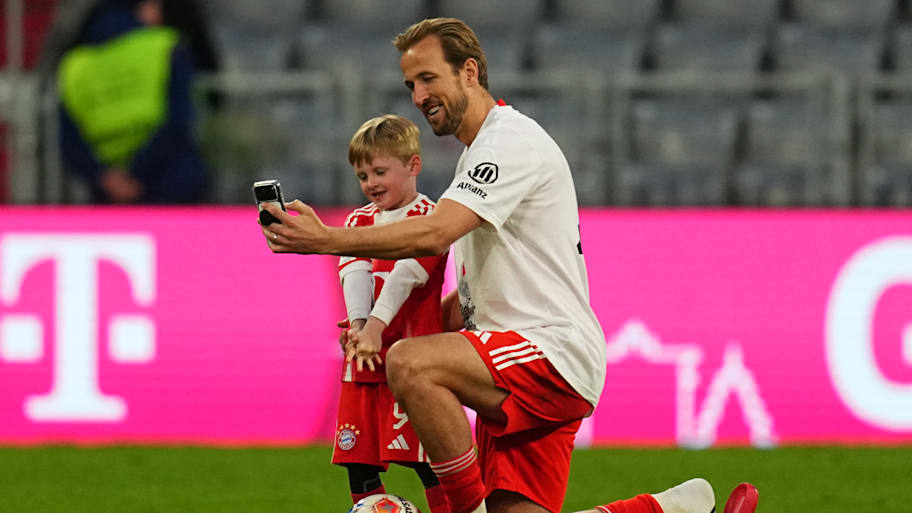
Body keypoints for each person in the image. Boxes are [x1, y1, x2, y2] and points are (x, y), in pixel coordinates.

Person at [259, 17, 758, 513]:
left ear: (469, 72)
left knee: (412, 362)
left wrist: (326, 239)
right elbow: (475, 297)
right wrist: (394, 320)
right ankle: (676, 507)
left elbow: (435, 233)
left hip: (547, 351)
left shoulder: (507, 143)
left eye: (429, 78)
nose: (418, 96)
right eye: (411, 84)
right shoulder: (476, 157)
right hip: (515, 356)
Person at [332, 115, 450, 513]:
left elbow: (406, 277)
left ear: (413, 165)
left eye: (380, 171)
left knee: (432, 462)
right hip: (366, 359)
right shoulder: (358, 220)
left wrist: (374, 329)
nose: (371, 183)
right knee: (358, 461)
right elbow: (354, 273)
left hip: (415, 359)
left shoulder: (432, 220)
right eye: (363, 175)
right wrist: (359, 327)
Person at [57, 0, 206, 203]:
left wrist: (106, 177)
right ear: (146, 8)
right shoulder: (164, 45)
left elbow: (69, 139)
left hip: (108, 193)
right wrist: (136, 174)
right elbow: (179, 121)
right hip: (171, 182)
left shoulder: (74, 64)